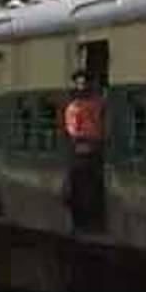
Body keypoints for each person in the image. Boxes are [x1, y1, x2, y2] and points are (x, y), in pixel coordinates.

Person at [64, 70, 105, 231]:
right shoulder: (73, 107)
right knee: (78, 186)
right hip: (81, 150)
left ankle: (90, 220)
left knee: (92, 186)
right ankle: (80, 222)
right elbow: (73, 130)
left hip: (93, 149)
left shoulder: (97, 104)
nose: (82, 86)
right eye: (79, 83)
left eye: (85, 83)